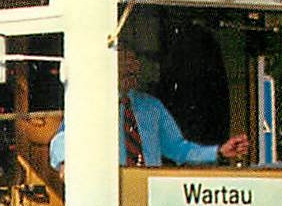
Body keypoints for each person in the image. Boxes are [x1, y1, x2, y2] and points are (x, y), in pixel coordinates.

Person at [51, 45, 249, 170]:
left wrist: (219, 152)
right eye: (124, 61)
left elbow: (179, 149)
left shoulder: (151, 107)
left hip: (149, 193)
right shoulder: (92, 104)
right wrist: (66, 163)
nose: (131, 66)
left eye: (134, 61)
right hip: (110, 197)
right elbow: (61, 139)